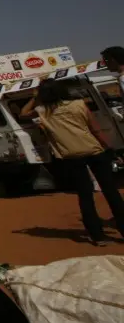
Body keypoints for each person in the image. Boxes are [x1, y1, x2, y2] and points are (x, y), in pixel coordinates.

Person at [19, 79, 124, 246]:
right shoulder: (79, 104)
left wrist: (34, 97)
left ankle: (97, 236)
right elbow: (95, 129)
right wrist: (110, 149)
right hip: (95, 150)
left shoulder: (42, 111)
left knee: (85, 195)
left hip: (71, 156)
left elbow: (23, 114)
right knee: (111, 191)